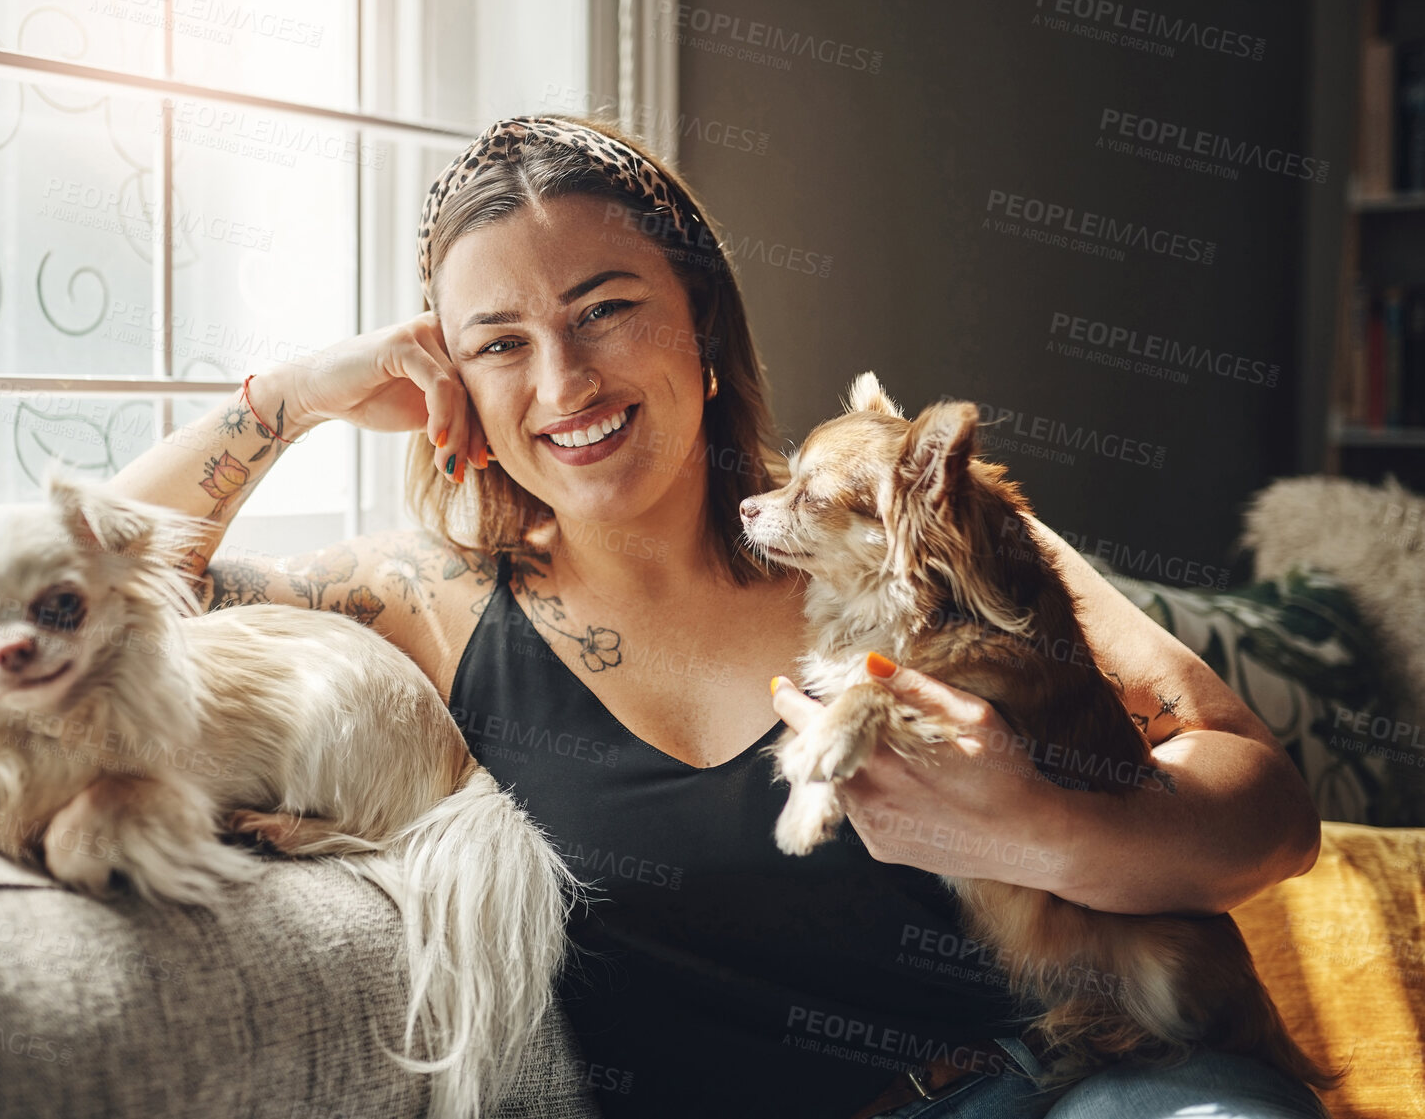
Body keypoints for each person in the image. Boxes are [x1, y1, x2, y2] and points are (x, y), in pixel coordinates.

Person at [107, 116, 1329, 1119]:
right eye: (500, 344)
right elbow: (86, 597)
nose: (564, 383)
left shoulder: (899, 533)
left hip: (1078, 1091)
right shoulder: (426, 605)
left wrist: (1045, 830)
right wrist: (296, 397)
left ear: (701, 325)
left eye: (604, 308)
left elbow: (1268, 812)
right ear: (456, 390)